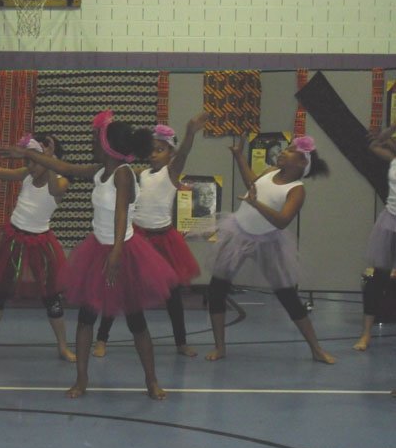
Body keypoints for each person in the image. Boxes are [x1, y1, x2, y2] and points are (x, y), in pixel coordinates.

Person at [0, 110, 178, 400]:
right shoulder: (100, 171)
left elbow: (121, 215)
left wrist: (117, 253)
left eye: (96, 138)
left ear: (109, 146)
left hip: (122, 252)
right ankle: (81, 380)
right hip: (98, 250)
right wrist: (23, 153)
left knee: (136, 322)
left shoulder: (123, 175)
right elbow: (63, 166)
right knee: (86, 319)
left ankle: (152, 380)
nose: (92, 142)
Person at [205, 135, 335, 364]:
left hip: (268, 242)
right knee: (217, 289)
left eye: (291, 150)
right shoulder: (271, 171)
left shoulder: (297, 189)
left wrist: (256, 204)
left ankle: (316, 348)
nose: (284, 151)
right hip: (238, 233)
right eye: (286, 148)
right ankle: (220, 347)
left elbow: (283, 220)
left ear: (302, 163)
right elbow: (252, 185)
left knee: (287, 295)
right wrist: (238, 157)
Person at [93, 112, 209, 359]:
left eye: (161, 150)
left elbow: (185, 152)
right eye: (153, 150)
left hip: (164, 241)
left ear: (171, 154)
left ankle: (181, 342)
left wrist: (189, 133)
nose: (155, 154)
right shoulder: (140, 174)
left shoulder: (171, 173)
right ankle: (102, 338)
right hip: (138, 239)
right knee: (119, 288)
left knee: (173, 295)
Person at [0, 127, 76, 363]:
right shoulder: (27, 174)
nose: (30, 166)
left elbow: (55, 189)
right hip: (12, 239)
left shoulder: (61, 181)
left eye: (34, 161)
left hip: (40, 244)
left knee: (51, 298)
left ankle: (63, 346)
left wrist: (51, 159)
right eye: (28, 160)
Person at [353, 123, 396, 351]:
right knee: (378, 278)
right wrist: (391, 129)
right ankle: (366, 334)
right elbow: (374, 145)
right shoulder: (393, 159)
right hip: (390, 222)